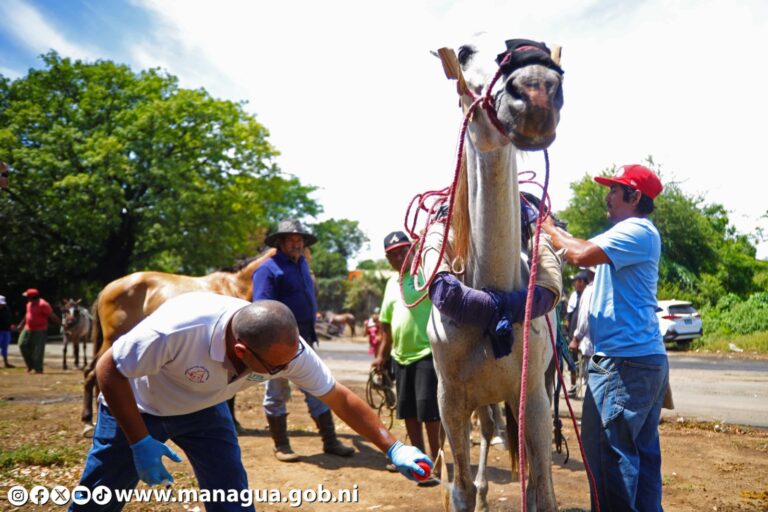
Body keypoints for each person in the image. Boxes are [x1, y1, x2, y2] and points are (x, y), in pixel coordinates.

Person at [70, 293, 431, 512]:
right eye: (276, 368)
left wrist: (393, 447)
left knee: (232, 499)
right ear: (241, 352)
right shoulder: (176, 331)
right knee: (100, 496)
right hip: (136, 405)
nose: (288, 371)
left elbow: (338, 396)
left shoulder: (286, 350)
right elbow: (109, 369)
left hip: (203, 412)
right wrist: (138, 440)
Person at [542, 164, 668, 511]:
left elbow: (579, 253)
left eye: (614, 189)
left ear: (634, 195)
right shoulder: (633, 235)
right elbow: (577, 246)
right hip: (637, 361)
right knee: (640, 457)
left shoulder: (636, 230)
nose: (607, 196)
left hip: (623, 363)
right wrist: (553, 230)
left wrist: (546, 225)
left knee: (609, 460)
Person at [252, 219, 354, 462]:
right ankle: (281, 445)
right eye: (292, 240)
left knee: (317, 387)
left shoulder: (303, 266)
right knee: (276, 390)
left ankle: (330, 441)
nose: (297, 244)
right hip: (278, 343)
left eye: (300, 240)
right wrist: (274, 342)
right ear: (280, 242)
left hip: (306, 339)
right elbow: (262, 309)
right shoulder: (268, 270)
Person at [372, 231, 441, 487]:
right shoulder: (391, 284)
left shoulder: (428, 275)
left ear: (413, 250)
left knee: (430, 412)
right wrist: (381, 355)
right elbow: (386, 324)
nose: (399, 257)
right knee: (409, 411)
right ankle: (418, 460)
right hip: (400, 355)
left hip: (427, 352)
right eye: (393, 254)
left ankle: (437, 461)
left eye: (403, 251)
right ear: (387, 259)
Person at [16, 288, 60, 374]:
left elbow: (52, 315)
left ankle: (38, 368)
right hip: (27, 328)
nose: (27, 298)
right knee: (22, 344)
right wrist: (21, 324)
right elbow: (27, 314)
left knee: (38, 350)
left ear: (32, 297)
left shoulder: (43, 304)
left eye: (28, 297)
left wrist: (61, 324)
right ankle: (31, 364)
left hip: (40, 329)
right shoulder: (29, 304)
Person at [565, 270, 589, 397]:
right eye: (576, 281)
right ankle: (573, 388)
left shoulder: (589, 295)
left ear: (585, 283)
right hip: (573, 336)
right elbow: (569, 316)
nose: (577, 284)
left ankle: (587, 392)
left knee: (585, 365)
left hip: (585, 336)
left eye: (580, 281)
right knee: (572, 362)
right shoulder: (574, 296)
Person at [0, 295, 15, 367]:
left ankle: (6, 363)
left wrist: (11, 325)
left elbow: (9, 318)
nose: (2, 305)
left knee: (5, 347)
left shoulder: (7, 309)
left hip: (6, 330)